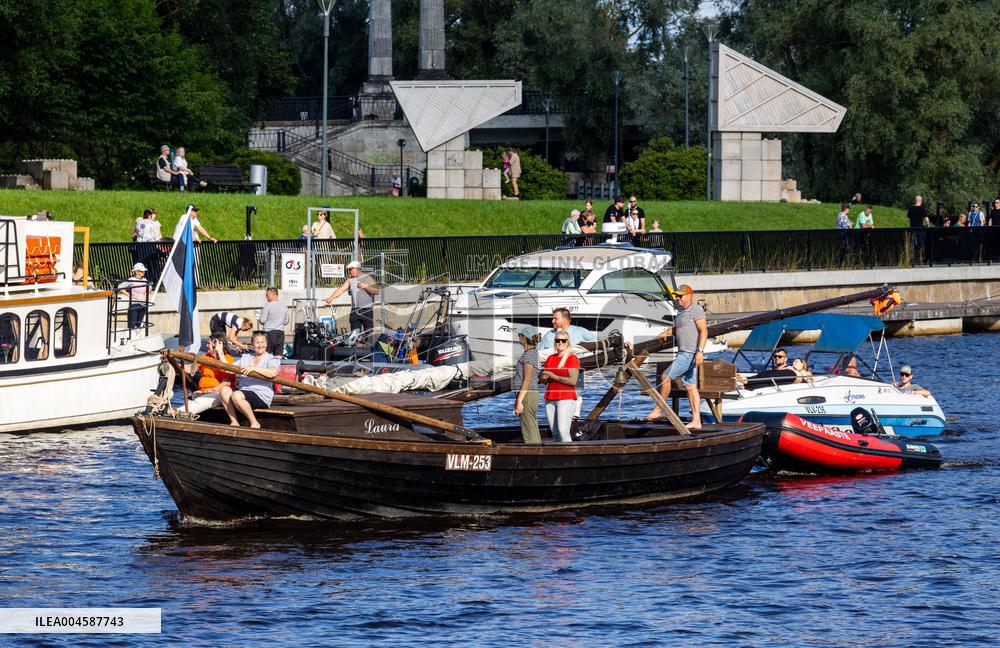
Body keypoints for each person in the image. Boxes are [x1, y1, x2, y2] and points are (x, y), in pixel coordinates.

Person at [647, 284, 707, 428]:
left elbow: (704, 331)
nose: (678, 298)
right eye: (677, 296)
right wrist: (664, 333)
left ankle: (659, 409)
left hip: (689, 353)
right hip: (684, 352)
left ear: (689, 296)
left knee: (665, 377)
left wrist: (700, 351)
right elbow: (674, 328)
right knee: (690, 387)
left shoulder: (696, 310)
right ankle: (697, 421)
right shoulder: (680, 312)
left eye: (680, 296)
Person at [540, 307, 595, 420]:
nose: (552, 321)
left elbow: (599, 343)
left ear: (564, 320)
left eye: (555, 318)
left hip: (574, 369)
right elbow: (539, 353)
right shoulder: (548, 335)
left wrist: (623, 344)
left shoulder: (580, 331)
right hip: (553, 372)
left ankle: (574, 418)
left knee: (577, 396)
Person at [219, 331, 280, 428]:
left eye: (262, 342)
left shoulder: (272, 359)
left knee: (237, 395)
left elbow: (273, 373)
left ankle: (254, 423)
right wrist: (220, 353)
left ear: (266, 343)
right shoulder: (246, 357)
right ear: (252, 343)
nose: (260, 345)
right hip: (243, 392)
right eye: (257, 342)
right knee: (224, 390)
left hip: (261, 394)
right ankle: (235, 422)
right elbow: (228, 369)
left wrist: (254, 368)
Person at [324, 260, 380, 341]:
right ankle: (356, 347)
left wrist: (365, 286)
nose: (349, 271)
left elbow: (376, 291)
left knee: (369, 333)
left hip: (366, 310)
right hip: (355, 310)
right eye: (349, 269)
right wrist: (331, 298)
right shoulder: (350, 280)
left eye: (351, 269)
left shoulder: (367, 277)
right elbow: (341, 290)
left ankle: (369, 347)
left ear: (357, 268)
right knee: (354, 334)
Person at [539, 332, 579, 442]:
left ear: (568, 342)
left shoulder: (572, 358)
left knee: (563, 432)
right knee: (555, 433)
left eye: (563, 340)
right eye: (557, 340)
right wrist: (543, 377)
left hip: (566, 398)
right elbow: (545, 380)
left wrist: (553, 376)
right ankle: (558, 452)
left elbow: (573, 381)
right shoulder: (550, 358)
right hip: (550, 398)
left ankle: (570, 452)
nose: (560, 343)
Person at [513, 326, 542, 444]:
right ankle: (538, 449)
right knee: (531, 428)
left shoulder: (529, 355)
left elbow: (527, 379)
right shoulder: (532, 353)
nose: (518, 337)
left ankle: (534, 452)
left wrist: (519, 401)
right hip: (529, 394)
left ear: (524, 337)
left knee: (529, 431)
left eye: (519, 335)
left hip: (527, 396)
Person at [192, 334, 235, 401]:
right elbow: (192, 370)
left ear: (215, 345)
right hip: (203, 391)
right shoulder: (206, 357)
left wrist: (207, 392)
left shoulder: (227, 359)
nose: (207, 345)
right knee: (193, 397)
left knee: (195, 403)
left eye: (209, 343)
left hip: (217, 393)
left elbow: (226, 383)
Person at [117, 263, 150, 329]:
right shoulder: (131, 279)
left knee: (139, 325)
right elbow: (120, 286)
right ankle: (131, 334)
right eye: (141, 271)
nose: (143, 272)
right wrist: (129, 295)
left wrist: (147, 292)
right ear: (136, 271)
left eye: (143, 271)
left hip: (143, 305)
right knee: (132, 325)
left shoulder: (145, 280)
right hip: (134, 305)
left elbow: (150, 287)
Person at [258, 287, 289, 357]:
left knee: (266, 355)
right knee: (278, 356)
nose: (266, 297)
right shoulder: (284, 306)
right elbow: (286, 321)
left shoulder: (267, 305)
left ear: (273, 295)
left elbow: (262, 320)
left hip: (269, 333)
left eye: (267, 295)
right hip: (280, 333)